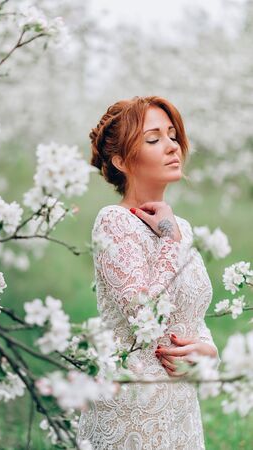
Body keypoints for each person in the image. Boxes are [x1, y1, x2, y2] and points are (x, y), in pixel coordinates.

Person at [77, 96, 220, 449]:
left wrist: (207, 352)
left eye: (172, 135)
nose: (172, 146)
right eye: (153, 139)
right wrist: (170, 239)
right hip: (131, 409)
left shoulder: (182, 227)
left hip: (181, 412)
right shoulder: (112, 222)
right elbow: (145, 313)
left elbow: (194, 312)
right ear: (121, 160)